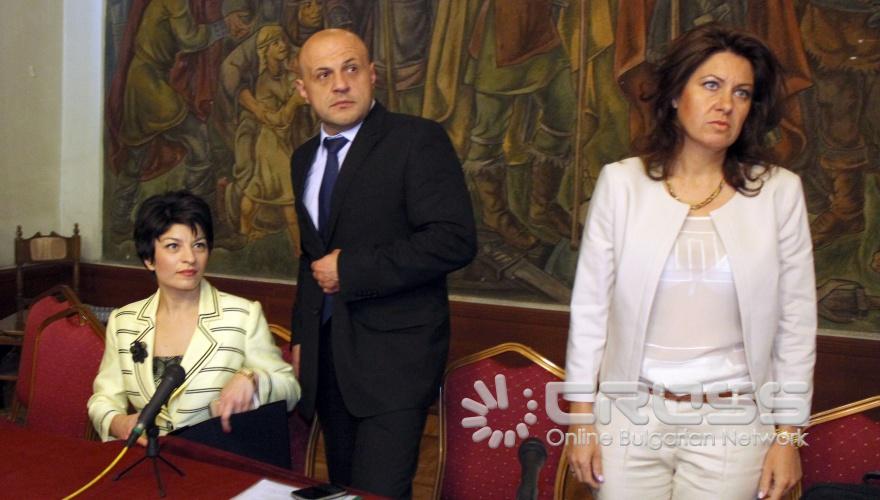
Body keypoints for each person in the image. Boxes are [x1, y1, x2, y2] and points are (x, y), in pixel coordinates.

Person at [564, 24, 816, 500]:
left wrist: (788, 437)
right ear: (677, 94)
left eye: (742, 93)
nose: (726, 104)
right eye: (711, 85)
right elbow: (590, 310)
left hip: (734, 421)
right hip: (630, 415)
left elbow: (796, 324)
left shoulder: (779, 193)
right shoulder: (622, 184)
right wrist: (580, 420)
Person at [289, 29, 476, 498]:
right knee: (344, 491)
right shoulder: (303, 158)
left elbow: (453, 240)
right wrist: (301, 338)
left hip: (395, 364)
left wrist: (351, 269)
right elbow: (311, 258)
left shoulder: (417, 139)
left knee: (379, 493)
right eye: (323, 75)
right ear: (303, 89)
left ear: (372, 75)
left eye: (351, 69)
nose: (340, 84)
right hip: (328, 361)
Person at [88, 191, 300, 444]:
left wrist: (252, 380)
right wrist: (118, 422)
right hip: (148, 458)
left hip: (216, 458)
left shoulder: (242, 316)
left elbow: (290, 389)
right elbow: (103, 398)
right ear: (149, 259)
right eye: (173, 246)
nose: (190, 258)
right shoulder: (124, 322)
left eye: (198, 245)